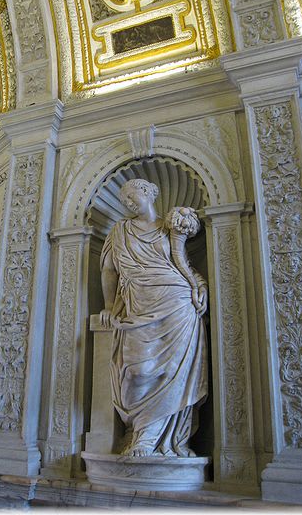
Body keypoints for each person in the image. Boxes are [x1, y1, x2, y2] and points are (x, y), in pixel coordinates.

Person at [100, 178, 208, 457]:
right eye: (124, 200)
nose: (128, 202)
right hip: (137, 305)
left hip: (177, 303)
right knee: (137, 372)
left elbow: (181, 262)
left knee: (173, 372)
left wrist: (198, 285)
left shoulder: (169, 226)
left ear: (148, 192)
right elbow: (109, 270)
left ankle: (150, 439)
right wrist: (109, 306)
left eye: (132, 194)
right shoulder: (120, 231)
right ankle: (139, 430)